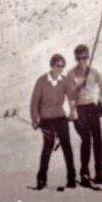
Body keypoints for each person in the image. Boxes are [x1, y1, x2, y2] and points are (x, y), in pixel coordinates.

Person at [30, 53, 76, 190]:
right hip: (46, 119)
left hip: (60, 118)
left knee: (66, 146)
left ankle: (72, 179)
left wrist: (73, 111)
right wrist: (34, 119)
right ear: (52, 66)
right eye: (58, 66)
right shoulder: (42, 81)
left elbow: (71, 96)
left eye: (62, 66)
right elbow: (34, 102)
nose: (60, 69)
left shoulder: (65, 80)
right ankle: (41, 179)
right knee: (48, 147)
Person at [65, 44, 102, 184]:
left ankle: (99, 172)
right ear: (76, 59)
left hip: (91, 107)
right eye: (79, 59)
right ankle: (84, 173)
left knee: (98, 139)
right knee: (86, 140)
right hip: (80, 108)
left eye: (84, 58)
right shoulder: (71, 74)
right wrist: (73, 112)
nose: (82, 61)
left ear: (88, 58)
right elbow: (70, 96)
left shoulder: (93, 72)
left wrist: (100, 103)